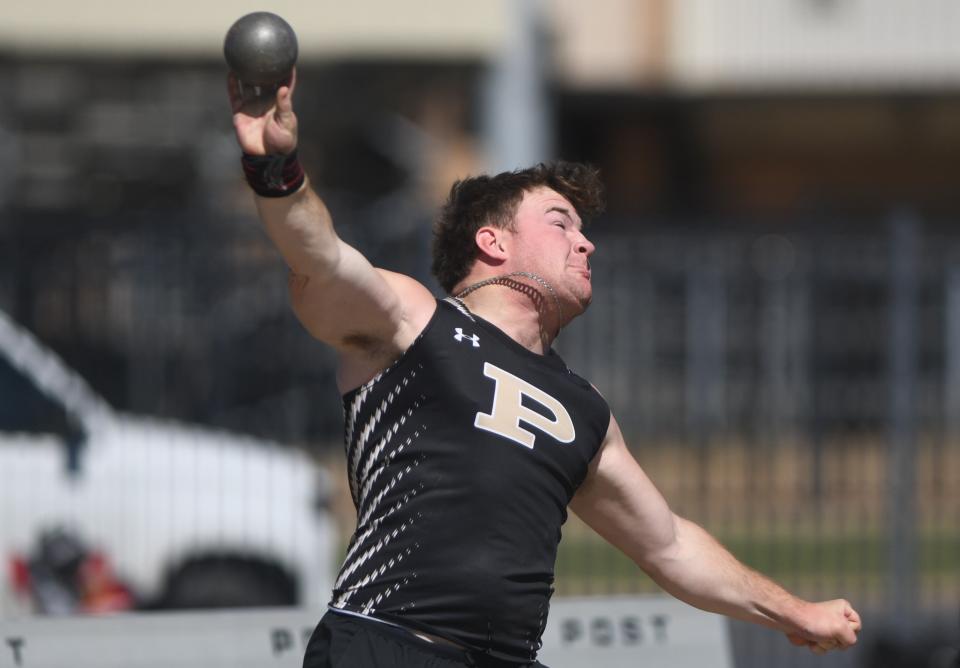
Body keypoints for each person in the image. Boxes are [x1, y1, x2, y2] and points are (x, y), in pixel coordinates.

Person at [228, 71, 861, 668]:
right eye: (560, 223)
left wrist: (794, 611)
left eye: (584, 231)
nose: (585, 242)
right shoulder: (416, 325)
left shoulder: (582, 409)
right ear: (492, 243)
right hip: (388, 642)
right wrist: (275, 168)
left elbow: (669, 545)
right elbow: (319, 259)